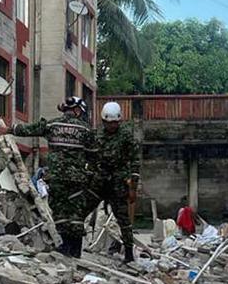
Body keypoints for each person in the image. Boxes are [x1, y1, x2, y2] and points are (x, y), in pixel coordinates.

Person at [11, 96, 97, 257]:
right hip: (76, 180)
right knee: (76, 215)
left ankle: (64, 251)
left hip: (56, 178)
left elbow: (30, 130)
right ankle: (76, 252)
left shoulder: (52, 125)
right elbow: (94, 157)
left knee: (60, 214)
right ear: (77, 110)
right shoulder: (86, 130)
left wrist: (10, 129)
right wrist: (89, 176)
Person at [95, 101, 140, 262]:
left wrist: (133, 187)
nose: (112, 126)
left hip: (119, 184)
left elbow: (135, 161)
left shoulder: (126, 135)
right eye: (109, 123)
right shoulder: (98, 135)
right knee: (83, 210)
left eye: (115, 123)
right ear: (104, 121)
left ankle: (128, 253)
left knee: (123, 219)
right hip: (100, 181)